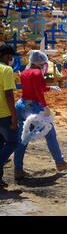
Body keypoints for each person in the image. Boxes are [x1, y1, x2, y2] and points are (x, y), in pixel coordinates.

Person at [14, 50, 67, 180]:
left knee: (22, 138)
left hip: (21, 105)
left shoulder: (24, 72)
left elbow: (33, 87)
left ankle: (17, 169)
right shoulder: (37, 73)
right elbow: (37, 91)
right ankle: (60, 162)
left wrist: (50, 88)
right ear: (40, 62)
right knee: (50, 132)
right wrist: (45, 106)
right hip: (33, 107)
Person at [0, 44, 19, 187]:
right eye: (10, 56)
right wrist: (14, 115)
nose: (11, 59)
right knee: (13, 142)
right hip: (4, 114)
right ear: (6, 56)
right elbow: (8, 94)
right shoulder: (6, 70)